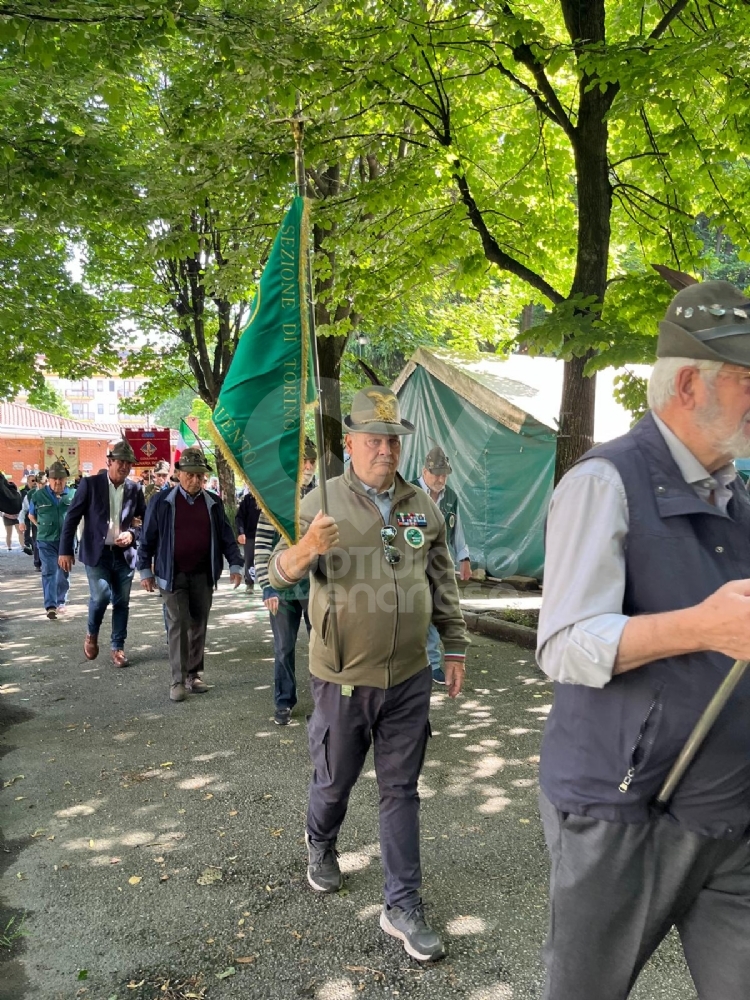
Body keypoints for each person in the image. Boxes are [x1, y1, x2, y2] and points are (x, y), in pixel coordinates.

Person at [536, 280, 750, 1000]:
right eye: (749, 381)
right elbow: (563, 644)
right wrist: (699, 626)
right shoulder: (604, 481)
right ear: (690, 383)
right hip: (621, 811)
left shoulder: (737, 496)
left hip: (730, 811)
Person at [268, 387, 469, 963]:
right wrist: (306, 547)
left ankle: (402, 905)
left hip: (407, 678)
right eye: (374, 439)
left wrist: (453, 646)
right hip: (342, 677)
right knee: (335, 782)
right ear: (350, 442)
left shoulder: (420, 506)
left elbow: (441, 580)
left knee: (400, 790)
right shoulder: (317, 502)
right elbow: (275, 576)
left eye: (392, 440)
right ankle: (321, 841)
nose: (385, 449)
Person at [137, 446, 243, 702]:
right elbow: (148, 537)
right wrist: (144, 569)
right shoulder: (161, 502)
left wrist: (236, 564)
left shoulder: (213, 503)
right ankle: (177, 680)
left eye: (200, 476)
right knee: (178, 624)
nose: (195, 480)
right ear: (178, 473)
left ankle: (193, 675)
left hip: (203, 574)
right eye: (190, 475)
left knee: (198, 625)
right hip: (172, 575)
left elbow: (227, 536)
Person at [58, 439, 145, 667]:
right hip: (97, 554)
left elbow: (145, 522)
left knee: (122, 602)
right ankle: (92, 633)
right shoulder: (90, 484)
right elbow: (72, 518)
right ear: (110, 461)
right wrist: (65, 550)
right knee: (101, 596)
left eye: (129, 463)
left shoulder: (135, 489)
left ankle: (118, 648)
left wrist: (133, 535)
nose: (125, 467)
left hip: (125, 555)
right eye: (121, 462)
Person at [254, 438, 317, 726]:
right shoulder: (275, 497)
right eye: (303, 460)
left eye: (312, 462)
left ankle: (325, 702)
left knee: (323, 645)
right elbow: (262, 545)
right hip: (282, 586)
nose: (308, 466)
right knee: (283, 647)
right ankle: (283, 701)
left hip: (315, 585)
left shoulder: (322, 496)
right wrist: (267, 585)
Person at [412, 446, 472, 684]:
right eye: (436, 474)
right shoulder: (409, 490)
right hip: (413, 561)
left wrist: (463, 558)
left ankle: (434, 663)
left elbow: (457, 528)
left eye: (444, 474)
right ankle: (414, 661)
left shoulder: (451, 497)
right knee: (415, 609)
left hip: (440, 563)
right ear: (424, 471)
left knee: (440, 607)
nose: (440, 479)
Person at [27, 462, 75, 619]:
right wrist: (41, 526)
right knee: (49, 571)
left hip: (67, 541)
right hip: (46, 540)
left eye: (61, 479)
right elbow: (31, 515)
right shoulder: (38, 495)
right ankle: (51, 606)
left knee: (63, 573)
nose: (58, 482)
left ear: (66, 479)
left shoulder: (73, 495)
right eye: (54, 479)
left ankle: (61, 601)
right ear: (49, 479)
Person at [235, 487, 261, 592]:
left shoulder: (269, 499)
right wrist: (241, 532)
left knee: (267, 560)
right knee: (249, 560)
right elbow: (239, 517)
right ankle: (249, 583)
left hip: (265, 534)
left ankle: (270, 584)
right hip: (250, 535)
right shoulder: (247, 499)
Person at [2, 482, 22, 550]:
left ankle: (22, 546)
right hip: (8, 516)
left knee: (19, 532)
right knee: (10, 533)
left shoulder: (17, 494)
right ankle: (9, 547)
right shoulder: (5, 495)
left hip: (16, 516)